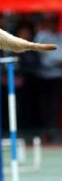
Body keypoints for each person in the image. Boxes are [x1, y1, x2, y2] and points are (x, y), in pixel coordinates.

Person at [34, 13, 62, 142]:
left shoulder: (60, 36)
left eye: (55, 22)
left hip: (58, 76)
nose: (54, 24)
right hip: (45, 76)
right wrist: (53, 62)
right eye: (51, 21)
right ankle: (45, 132)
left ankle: (54, 131)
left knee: (55, 106)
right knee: (45, 106)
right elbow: (40, 54)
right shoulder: (42, 35)